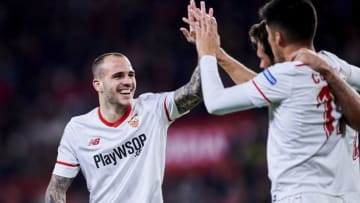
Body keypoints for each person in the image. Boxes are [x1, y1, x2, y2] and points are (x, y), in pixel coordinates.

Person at [190, 0, 360, 202]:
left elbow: (215, 102)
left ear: (277, 38)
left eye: (269, 36)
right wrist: (219, 54)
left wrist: (206, 53)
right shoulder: (332, 65)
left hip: (300, 196)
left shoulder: (285, 75)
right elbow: (263, 87)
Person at [45, 52, 203, 203]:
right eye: (118, 76)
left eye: (131, 75)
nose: (128, 81)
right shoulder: (77, 129)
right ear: (98, 84)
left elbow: (195, 91)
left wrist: (206, 50)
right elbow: (56, 188)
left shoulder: (152, 109)